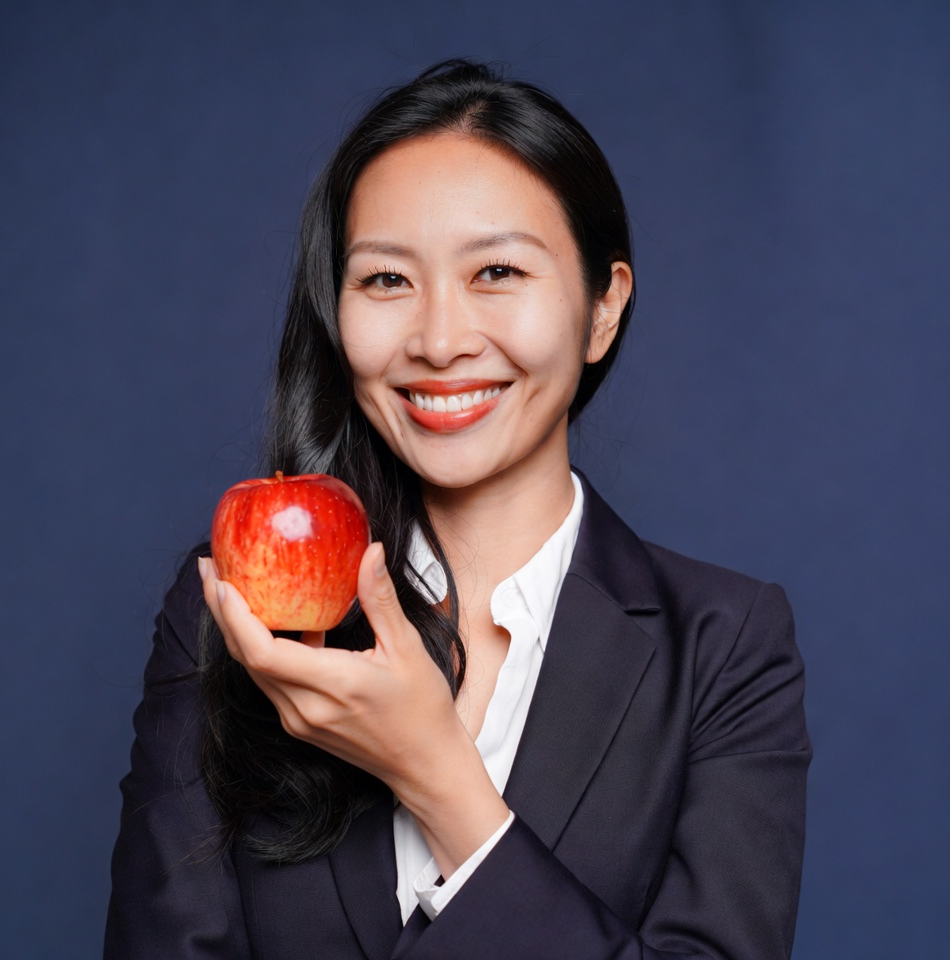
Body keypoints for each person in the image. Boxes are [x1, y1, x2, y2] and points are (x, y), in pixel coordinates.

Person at [105, 60, 811, 960]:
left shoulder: (724, 647)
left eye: (498, 271)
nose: (439, 341)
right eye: (387, 281)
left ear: (603, 309)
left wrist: (439, 779)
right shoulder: (234, 608)